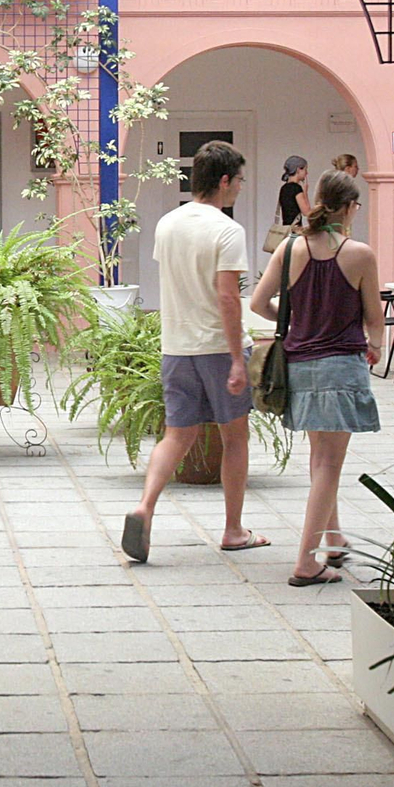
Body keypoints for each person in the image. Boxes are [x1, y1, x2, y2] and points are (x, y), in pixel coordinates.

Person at [122, 141, 266, 563]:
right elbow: (227, 297)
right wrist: (238, 359)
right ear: (224, 180)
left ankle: (144, 506)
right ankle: (234, 530)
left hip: (176, 347)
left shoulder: (167, 224)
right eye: (239, 180)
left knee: (177, 435)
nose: (240, 187)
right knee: (234, 438)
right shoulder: (227, 230)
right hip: (218, 348)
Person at [250, 169, 385, 587]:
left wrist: (294, 321)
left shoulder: (290, 248)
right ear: (349, 208)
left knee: (319, 458)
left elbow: (258, 303)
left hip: (300, 365)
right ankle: (306, 563)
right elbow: (374, 316)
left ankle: (334, 538)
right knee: (329, 462)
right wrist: (376, 346)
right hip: (341, 366)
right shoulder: (360, 254)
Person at [278, 155, 311, 227]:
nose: (306, 173)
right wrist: (305, 193)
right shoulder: (296, 188)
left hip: (285, 228)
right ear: (298, 170)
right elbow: (306, 212)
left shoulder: (284, 188)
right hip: (295, 229)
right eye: (305, 170)